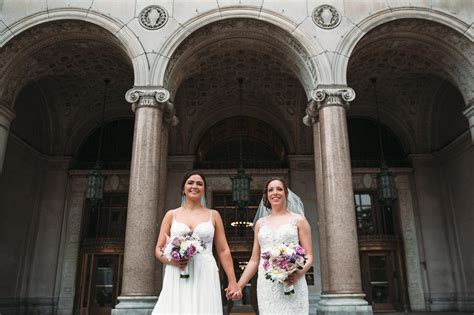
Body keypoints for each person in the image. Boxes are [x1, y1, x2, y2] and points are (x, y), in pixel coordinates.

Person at [152, 170, 239, 314]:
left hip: (205, 270)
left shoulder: (214, 215)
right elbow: (158, 249)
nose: (195, 186)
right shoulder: (171, 215)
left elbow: (223, 250)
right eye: (190, 182)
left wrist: (232, 281)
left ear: (204, 189)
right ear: (183, 189)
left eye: (199, 184)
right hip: (177, 271)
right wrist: (172, 261)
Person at [229, 177, 313, 314]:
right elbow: (254, 260)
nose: (275, 192)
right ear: (266, 196)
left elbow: (309, 255)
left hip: (293, 280)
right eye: (270, 190)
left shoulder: (299, 221)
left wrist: (298, 274)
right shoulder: (260, 224)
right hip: (267, 284)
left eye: (279, 189)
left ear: (286, 193)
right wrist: (239, 285)